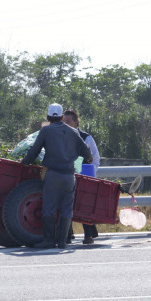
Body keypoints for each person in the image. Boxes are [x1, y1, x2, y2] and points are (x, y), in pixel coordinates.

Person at [20, 103, 93, 249]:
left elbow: (34, 151)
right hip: (69, 177)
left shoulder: (46, 131)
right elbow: (87, 154)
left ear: (48, 117)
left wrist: (24, 163)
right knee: (66, 208)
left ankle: (49, 240)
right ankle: (62, 241)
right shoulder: (73, 132)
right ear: (61, 117)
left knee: (49, 207)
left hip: (53, 175)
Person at [62, 109, 101, 245]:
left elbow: (95, 158)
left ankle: (88, 235)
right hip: (66, 175)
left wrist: (90, 174)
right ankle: (68, 233)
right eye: (63, 122)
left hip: (83, 176)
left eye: (69, 121)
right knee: (66, 205)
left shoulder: (86, 137)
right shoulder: (60, 136)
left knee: (84, 206)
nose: (66, 124)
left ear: (76, 122)